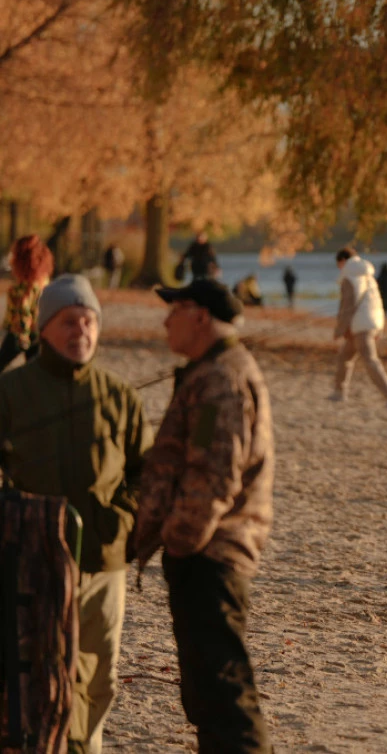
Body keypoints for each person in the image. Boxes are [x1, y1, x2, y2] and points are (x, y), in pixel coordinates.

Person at [0, 274, 153, 753]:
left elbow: (147, 475)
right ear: (44, 328)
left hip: (103, 565)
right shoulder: (10, 392)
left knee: (97, 674)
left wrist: (122, 521)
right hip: (29, 564)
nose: (81, 331)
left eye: (89, 321)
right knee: (33, 672)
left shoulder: (120, 396)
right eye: (69, 321)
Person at [133, 278, 273, 754]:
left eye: (174, 310)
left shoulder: (221, 379)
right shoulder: (210, 370)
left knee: (225, 698)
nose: (166, 321)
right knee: (207, 697)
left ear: (199, 316)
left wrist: (178, 544)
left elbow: (214, 477)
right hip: (205, 554)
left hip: (211, 557)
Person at [332, 247, 387, 408]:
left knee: (370, 361)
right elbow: (377, 303)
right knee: (344, 357)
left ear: (342, 261)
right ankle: (339, 392)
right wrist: (379, 327)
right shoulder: (369, 276)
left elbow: (347, 306)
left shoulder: (349, 276)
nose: (339, 268)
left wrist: (340, 329)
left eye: (338, 265)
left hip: (359, 325)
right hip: (371, 322)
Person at [0, 234, 53, 372]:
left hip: (19, 334)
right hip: (39, 332)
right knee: (36, 370)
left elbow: (23, 313)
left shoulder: (21, 289)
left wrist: (22, 336)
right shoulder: (44, 283)